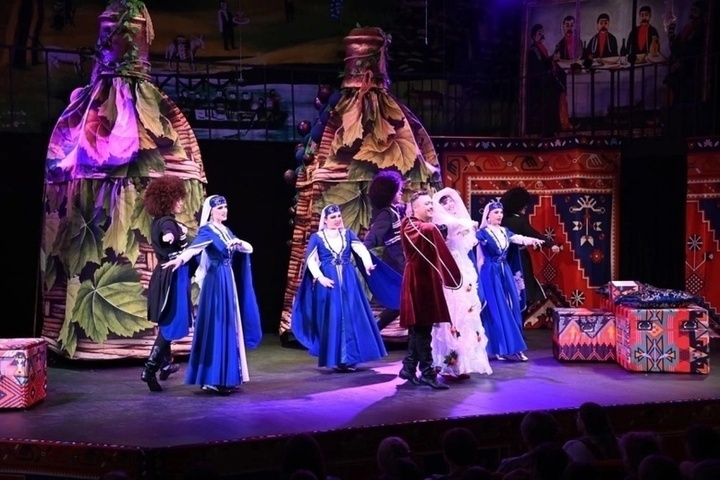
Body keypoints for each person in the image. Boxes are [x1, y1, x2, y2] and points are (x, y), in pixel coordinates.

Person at [162, 195, 262, 395]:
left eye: (225, 207)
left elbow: (249, 248)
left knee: (228, 325)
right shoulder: (207, 230)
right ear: (211, 211)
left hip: (227, 279)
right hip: (216, 281)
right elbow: (194, 250)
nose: (224, 210)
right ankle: (212, 378)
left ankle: (226, 376)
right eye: (220, 208)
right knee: (217, 324)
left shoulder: (226, 231)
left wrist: (239, 243)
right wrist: (179, 260)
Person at [291, 204, 400, 371]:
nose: (337, 220)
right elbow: (311, 261)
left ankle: (350, 359)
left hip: (349, 281)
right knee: (333, 317)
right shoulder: (317, 237)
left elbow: (361, 250)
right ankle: (336, 358)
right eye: (332, 217)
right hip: (329, 281)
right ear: (325, 220)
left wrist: (368, 264)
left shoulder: (347, 234)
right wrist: (320, 277)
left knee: (350, 316)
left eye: (338, 216)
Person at [398, 191, 462, 390]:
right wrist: (447, 225)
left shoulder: (423, 225)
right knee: (422, 328)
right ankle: (427, 373)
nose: (431, 207)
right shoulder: (410, 224)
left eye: (431, 204)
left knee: (420, 329)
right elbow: (425, 230)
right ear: (415, 208)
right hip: (417, 282)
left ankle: (409, 367)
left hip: (427, 280)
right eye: (426, 204)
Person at [430, 188, 492, 379]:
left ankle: (465, 364)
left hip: (464, 269)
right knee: (452, 313)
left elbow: (468, 242)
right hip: (449, 270)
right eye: (445, 202)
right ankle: (450, 363)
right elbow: (451, 232)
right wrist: (464, 225)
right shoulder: (442, 224)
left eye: (452, 201)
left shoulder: (461, 222)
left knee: (468, 313)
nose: (450, 205)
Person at [141, 176, 193, 392]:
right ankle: (150, 368)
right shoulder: (167, 222)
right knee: (171, 321)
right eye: (178, 198)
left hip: (165, 274)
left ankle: (164, 364)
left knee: (168, 319)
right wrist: (170, 236)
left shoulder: (157, 221)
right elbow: (168, 232)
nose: (181, 202)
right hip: (173, 276)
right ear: (168, 200)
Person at [476, 201, 544, 362]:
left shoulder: (505, 231)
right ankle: (500, 347)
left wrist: (534, 240)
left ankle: (513, 346)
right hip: (490, 273)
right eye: (496, 212)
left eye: (501, 212)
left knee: (512, 305)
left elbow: (519, 238)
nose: (499, 215)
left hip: (504, 271)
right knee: (495, 308)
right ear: (488, 215)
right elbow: (475, 251)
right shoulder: (482, 233)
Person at [500, 187, 560, 316]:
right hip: (520, 258)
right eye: (524, 204)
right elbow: (534, 235)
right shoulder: (520, 221)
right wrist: (551, 244)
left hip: (504, 258)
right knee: (524, 292)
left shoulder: (502, 219)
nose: (526, 207)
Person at [364, 170, 407, 331]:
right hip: (397, 264)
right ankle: (373, 329)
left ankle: (374, 330)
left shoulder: (396, 211)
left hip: (403, 260)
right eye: (398, 190)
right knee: (402, 302)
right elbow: (373, 237)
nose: (401, 192)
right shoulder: (386, 214)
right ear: (389, 193)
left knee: (403, 302)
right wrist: (362, 253)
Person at [525, 24, 568, 136]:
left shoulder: (541, 47)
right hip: (541, 85)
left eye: (542, 32)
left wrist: (554, 55)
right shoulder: (534, 50)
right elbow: (541, 66)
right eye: (539, 33)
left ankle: (560, 124)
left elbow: (546, 62)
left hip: (545, 82)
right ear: (534, 36)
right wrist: (552, 60)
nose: (542, 35)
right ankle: (551, 129)